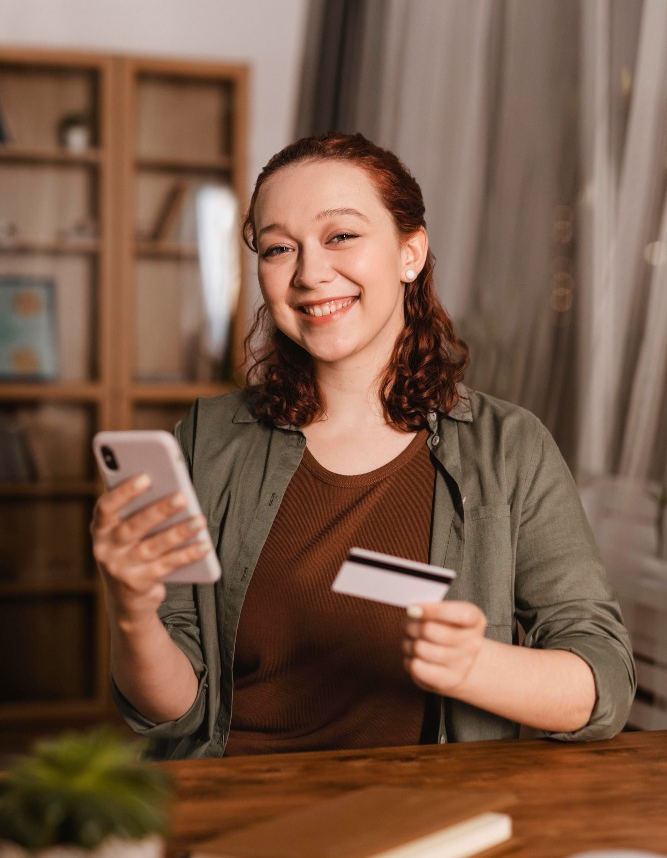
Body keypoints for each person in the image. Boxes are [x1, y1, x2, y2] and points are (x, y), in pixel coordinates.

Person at [92, 132, 636, 760]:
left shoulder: (509, 448)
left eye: (341, 236)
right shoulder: (210, 440)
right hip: (237, 808)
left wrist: (475, 667)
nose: (310, 272)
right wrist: (131, 609)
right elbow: (175, 712)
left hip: (426, 818)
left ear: (411, 251)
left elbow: (605, 683)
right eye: (277, 248)